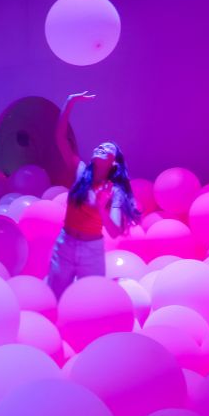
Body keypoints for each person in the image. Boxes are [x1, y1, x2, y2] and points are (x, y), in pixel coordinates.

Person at [47, 90, 141, 299]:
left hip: (92, 251)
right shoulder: (80, 171)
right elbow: (60, 138)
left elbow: (114, 232)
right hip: (65, 244)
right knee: (54, 298)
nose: (100, 147)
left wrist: (101, 206)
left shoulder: (115, 191)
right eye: (100, 145)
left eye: (107, 148)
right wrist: (69, 102)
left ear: (114, 163)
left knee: (90, 300)